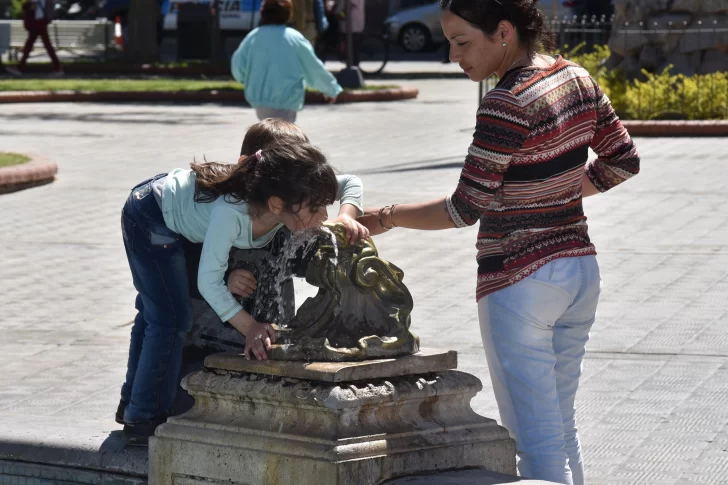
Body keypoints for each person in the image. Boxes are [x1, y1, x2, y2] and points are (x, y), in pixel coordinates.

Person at [358, 0, 640, 483]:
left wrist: (385, 217)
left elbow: (464, 208)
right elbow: (622, 161)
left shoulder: (505, 102)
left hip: (520, 280)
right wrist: (553, 190)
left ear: (504, 32)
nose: (452, 56)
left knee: (535, 444)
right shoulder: (576, 77)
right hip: (578, 272)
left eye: (463, 42)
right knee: (560, 426)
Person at [117, 129, 368, 446]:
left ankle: (131, 403)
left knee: (155, 313)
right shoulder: (232, 214)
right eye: (316, 207)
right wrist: (250, 327)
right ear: (277, 204)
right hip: (150, 216)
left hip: (175, 212)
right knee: (169, 318)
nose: (324, 216)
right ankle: (142, 419)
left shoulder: (288, 193)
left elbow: (351, 182)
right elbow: (208, 281)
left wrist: (347, 217)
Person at [231, 0, 342, 123]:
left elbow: (237, 66)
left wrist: (245, 79)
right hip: (287, 101)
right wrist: (331, 89)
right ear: (288, 14)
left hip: (260, 101)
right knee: (283, 138)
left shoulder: (252, 37)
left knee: (268, 134)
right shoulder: (294, 38)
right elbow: (313, 68)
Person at [13, 0, 62, 76]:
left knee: (31, 45)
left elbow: (30, 8)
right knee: (43, 45)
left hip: (38, 23)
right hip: (41, 22)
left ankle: (20, 68)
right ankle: (57, 68)